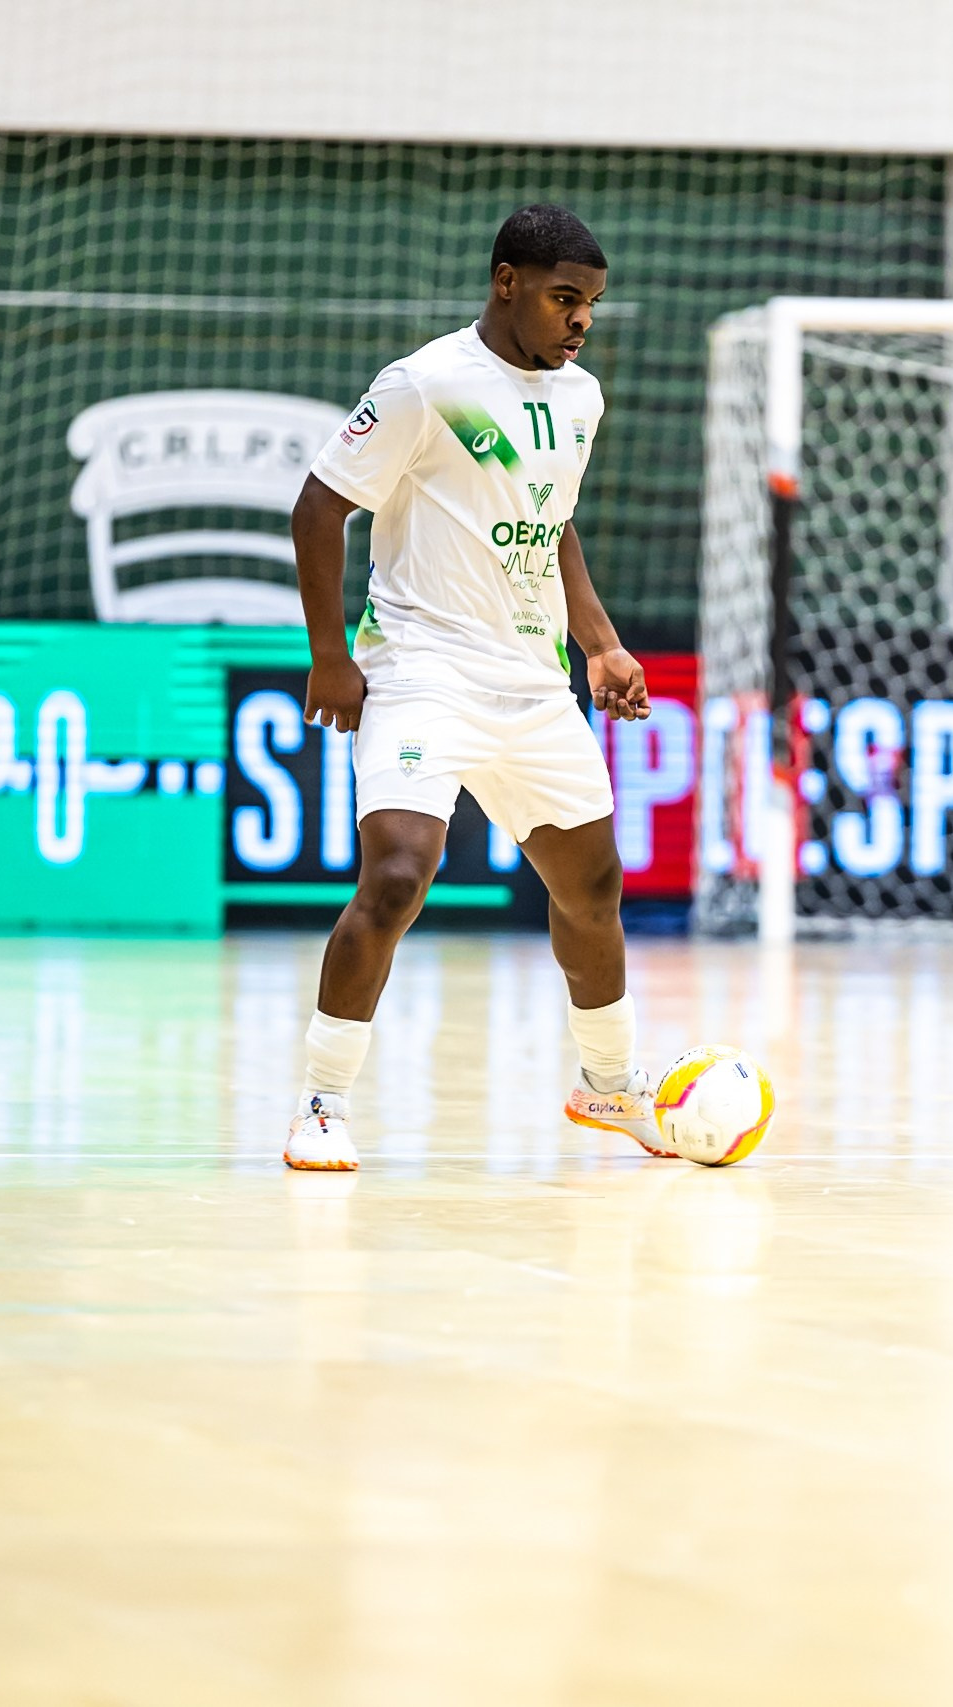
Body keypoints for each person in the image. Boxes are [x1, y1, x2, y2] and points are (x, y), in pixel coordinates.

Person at [279, 204, 666, 1171]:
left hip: (532, 681)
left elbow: (554, 521)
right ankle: (323, 1103)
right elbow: (319, 507)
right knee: (399, 873)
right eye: (563, 298)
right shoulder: (425, 383)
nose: (580, 320)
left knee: (595, 889)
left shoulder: (581, 398)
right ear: (507, 282)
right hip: (421, 668)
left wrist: (602, 644)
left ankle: (610, 1091)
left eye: (591, 305)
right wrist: (332, 656)